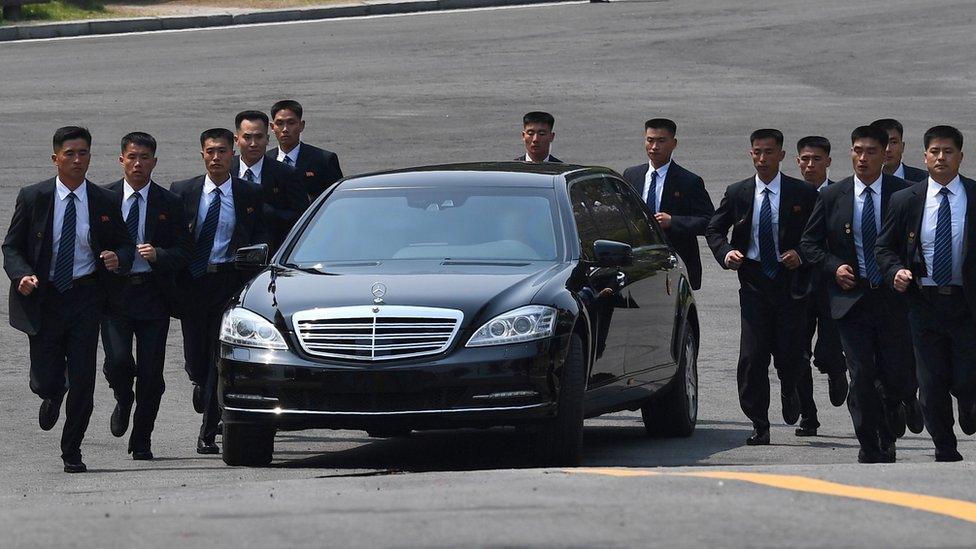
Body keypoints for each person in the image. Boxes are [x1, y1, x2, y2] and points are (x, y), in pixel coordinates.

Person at [2, 126, 134, 473]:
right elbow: (12, 246)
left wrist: (117, 257)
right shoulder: (34, 197)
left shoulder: (104, 199)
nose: (78, 160)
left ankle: (72, 450)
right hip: (45, 298)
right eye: (70, 153)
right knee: (45, 379)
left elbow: (123, 242)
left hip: (85, 296)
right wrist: (22, 275)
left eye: (84, 153)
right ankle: (52, 391)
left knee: (84, 379)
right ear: (55, 158)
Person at [800, 125, 916, 463]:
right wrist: (834, 266)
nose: (862, 158)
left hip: (893, 299)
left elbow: (916, 243)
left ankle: (894, 407)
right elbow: (810, 244)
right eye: (857, 151)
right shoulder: (832, 196)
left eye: (870, 152)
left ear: (886, 155)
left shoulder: (905, 194)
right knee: (862, 373)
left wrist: (904, 272)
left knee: (896, 375)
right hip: (851, 300)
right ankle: (870, 442)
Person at [705, 129, 818, 445]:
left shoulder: (803, 194)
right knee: (752, 358)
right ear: (750, 154)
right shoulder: (739, 192)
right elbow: (714, 229)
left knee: (791, 354)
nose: (763, 158)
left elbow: (820, 235)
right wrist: (726, 252)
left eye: (769, 152)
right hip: (754, 282)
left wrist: (802, 254)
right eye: (757, 152)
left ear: (781, 155)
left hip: (790, 283)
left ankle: (789, 387)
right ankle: (760, 423)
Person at [877, 125, 976, 462]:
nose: (941, 158)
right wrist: (896, 271)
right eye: (935, 151)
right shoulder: (906, 199)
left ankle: (968, 400)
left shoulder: (974, 196)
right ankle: (944, 447)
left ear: (961, 157)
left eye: (948, 152)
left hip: (967, 304)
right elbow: (884, 247)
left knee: (967, 377)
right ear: (924, 156)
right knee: (931, 383)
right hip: (924, 303)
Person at [171, 128, 268, 455]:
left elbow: (259, 238)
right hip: (195, 282)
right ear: (202, 154)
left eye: (223, 151)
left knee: (218, 360)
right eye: (210, 151)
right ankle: (199, 382)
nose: (216, 157)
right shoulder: (183, 192)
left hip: (229, 283)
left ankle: (208, 431)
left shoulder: (249, 194)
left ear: (233, 154)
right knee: (196, 361)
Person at [101, 132, 191, 460]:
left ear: (154, 161)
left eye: (145, 158)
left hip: (154, 296)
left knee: (152, 376)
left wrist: (160, 256)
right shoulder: (104, 197)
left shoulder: (170, 203)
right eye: (132, 157)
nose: (138, 164)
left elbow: (184, 251)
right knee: (119, 361)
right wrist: (107, 257)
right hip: (115, 297)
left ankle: (142, 438)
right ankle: (123, 397)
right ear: (121, 160)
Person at [793, 136, 848, 437]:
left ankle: (836, 370)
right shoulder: (788, 195)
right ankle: (808, 417)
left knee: (827, 350)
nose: (810, 165)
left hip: (832, 287)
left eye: (816, 159)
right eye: (805, 159)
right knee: (797, 353)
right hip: (797, 287)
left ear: (828, 162)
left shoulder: (841, 195)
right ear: (798, 162)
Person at [622, 118, 714, 290]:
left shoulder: (689, 181)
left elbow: (709, 221)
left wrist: (673, 222)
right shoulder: (631, 175)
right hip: (638, 262)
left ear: (674, 143)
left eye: (661, 141)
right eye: (650, 140)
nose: (654, 147)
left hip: (675, 263)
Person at [232, 110, 309, 254]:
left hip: (272, 252)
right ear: (237, 140)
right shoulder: (226, 171)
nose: (253, 144)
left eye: (259, 137)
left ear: (267, 139)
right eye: (247, 137)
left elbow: (302, 217)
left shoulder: (287, 174)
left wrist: (268, 212)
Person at [267, 99, 343, 200]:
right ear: (272, 127)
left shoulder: (324, 160)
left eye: (291, 123)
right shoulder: (266, 160)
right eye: (280, 123)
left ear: (301, 125)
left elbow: (337, 198)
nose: (285, 129)